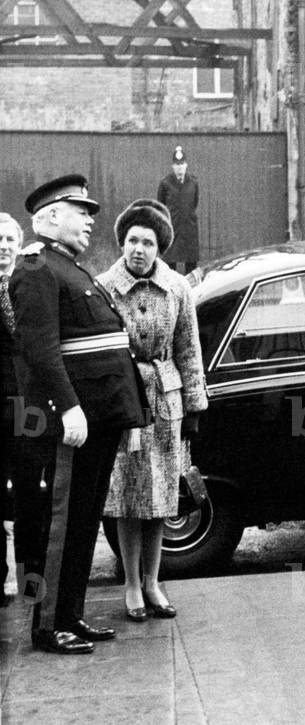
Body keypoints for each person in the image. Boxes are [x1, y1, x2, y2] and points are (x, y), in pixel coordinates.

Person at [10, 175, 150, 654]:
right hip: (74, 421)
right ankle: (48, 624)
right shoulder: (36, 268)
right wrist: (67, 407)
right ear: (50, 216)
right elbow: (41, 352)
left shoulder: (70, 268)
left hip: (97, 420)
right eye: (79, 210)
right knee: (61, 522)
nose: (91, 218)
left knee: (84, 520)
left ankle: (71, 612)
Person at [97, 199, 207, 623]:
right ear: (122, 243)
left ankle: (152, 582)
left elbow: (189, 349)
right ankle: (129, 584)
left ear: (159, 247)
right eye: (131, 240)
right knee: (127, 495)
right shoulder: (105, 286)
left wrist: (194, 405)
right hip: (125, 401)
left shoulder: (178, 287)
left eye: (147, 242)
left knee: (161, 495)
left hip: (166, 399)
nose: (138, 249)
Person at [0, 212, 22, 606]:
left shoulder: (27, 285)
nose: (3, 246)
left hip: (24, 405)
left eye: (8, 240)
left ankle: (31, 578)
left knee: (28, 491)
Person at [157, 145, 200, 274]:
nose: (179, 167)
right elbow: (161, 205)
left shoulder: (193, 182)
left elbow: (194, 203)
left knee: (191, 267)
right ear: (173, 166)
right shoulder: (166, 183)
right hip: (173, 229)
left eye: (182, 164)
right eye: (177, 164)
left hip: (189, 230)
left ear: (186, 165)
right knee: (170, 268)